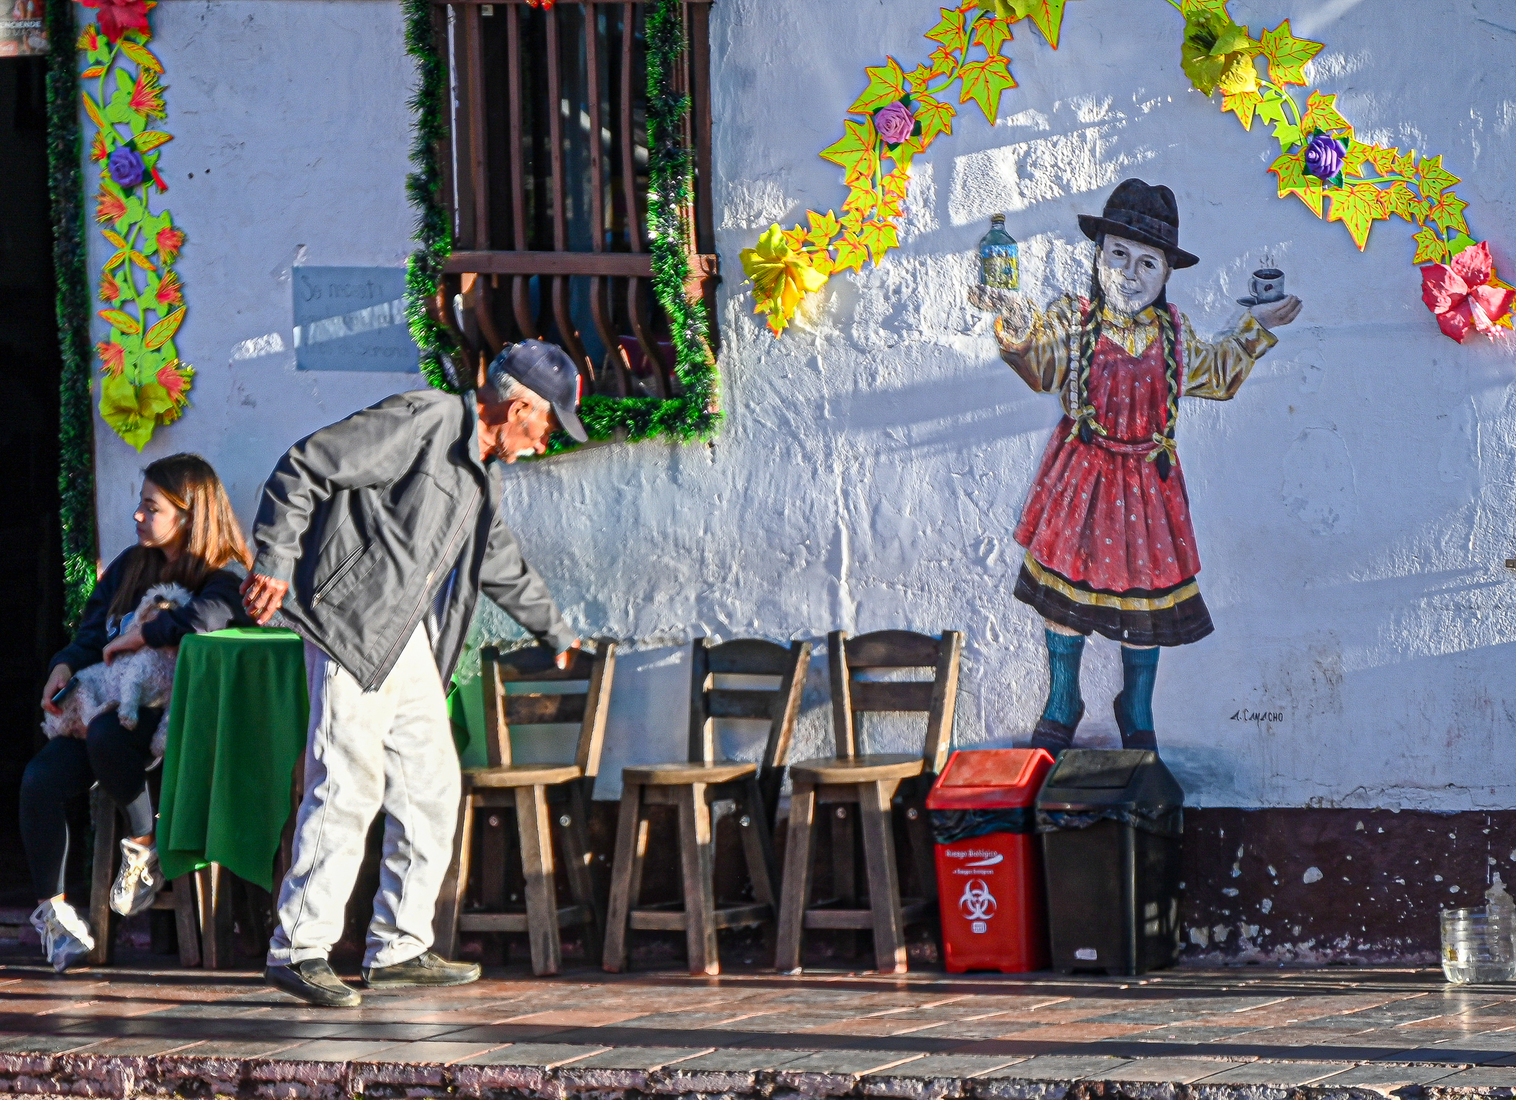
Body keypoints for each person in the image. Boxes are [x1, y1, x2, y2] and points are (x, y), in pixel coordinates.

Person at [243, 339, 587, 1008]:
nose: (546, 443)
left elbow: (496, 558)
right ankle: (297, 949)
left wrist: (554, 629)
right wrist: (275, 562)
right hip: (352, 627)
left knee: (431, 785)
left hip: (406, 644)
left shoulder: (481, 474)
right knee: (346, 785)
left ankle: (399, 947)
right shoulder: (423, 420)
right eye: (547, 426)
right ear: (519, 408)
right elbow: (305, 465)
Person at [971, 178, 1302, 753]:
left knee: (1144, 604)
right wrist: (1017, 324)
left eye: (1147, 262)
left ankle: (1137, 704)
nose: (1129, 272)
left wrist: (1260, 328)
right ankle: (1063, 699)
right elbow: (1042, 369)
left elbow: (1217, 375)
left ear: (1166, 273)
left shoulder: (1173, 332)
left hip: (1149, 486)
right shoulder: (1073, 319)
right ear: (1098, 255)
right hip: (1081, 482)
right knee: (1066, 597)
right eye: (1118, 255)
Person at [22, 454, 253, 971]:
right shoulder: (131, 565)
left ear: (190, 515)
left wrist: (143, 634)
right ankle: (56, 920)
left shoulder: (225, 572)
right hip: (111, 709)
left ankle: (146, 845)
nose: (138, 516)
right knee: (40, 780)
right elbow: (90, 635)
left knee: (107, 732)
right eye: (140, 504)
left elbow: (205, 619)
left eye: (152, 507)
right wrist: (63, 667)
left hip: (174, 721)